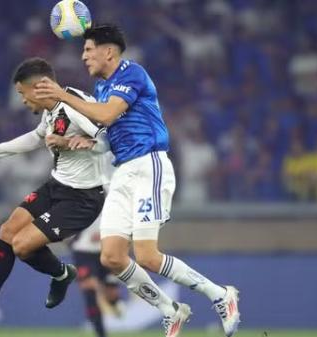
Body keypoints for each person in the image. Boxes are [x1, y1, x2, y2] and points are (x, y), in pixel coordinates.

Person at [34, 24, 240, 337]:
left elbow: (105, 116)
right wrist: (83, 143)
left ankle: (220, 295)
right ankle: (169, 309)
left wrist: (63, 94)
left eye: (89, 50)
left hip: (149, 165)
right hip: (122, 172)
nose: (83, 56)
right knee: (112, 257)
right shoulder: (103, 89)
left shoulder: (131, 73)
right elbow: (106, 133)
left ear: (108, 52)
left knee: (146, 255)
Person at [0, 57, 109, 329]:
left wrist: (71, 143)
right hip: (57, 186)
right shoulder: (51, 110)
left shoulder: (74, 105)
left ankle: (62, 275)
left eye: (22, 93)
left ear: (37, 88)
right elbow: (37, 137)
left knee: (22, 245)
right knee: (7, 230)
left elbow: (109, 141)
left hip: (82, 198)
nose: (22, 101)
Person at [70, 152, 124, 337]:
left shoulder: (113, 192)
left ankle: (115, 304)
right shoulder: (75, 193)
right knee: (90, 290)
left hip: (106, 249)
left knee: (111, 294)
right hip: (83, 250)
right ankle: (101, 334)